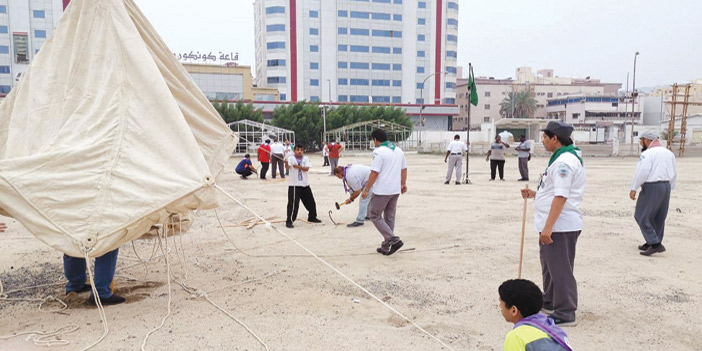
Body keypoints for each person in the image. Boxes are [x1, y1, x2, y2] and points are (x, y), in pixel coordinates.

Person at [520, 121, 585, 326]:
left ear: (555, 138)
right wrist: (536, 195)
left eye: (545, 137)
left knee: (560, 269)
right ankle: (549, 300)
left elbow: (561, 196)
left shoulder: (564, 162)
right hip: (553, 223)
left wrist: (548, 227)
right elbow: (553, 192)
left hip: (560, 225)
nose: (543, 141)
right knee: (549, 266)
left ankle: (566, 311)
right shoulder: (561, 157)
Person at [630, 130, 677, 256]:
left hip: (652, 186)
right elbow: (674, 170)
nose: (640, 143)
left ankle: (655, 243)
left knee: (641, 215)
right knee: (659, 216)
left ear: (647, 140)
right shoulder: (668, 153)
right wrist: (670, 186)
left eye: (641, 140)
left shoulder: (648, 153)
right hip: (665, 186)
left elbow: (643, 171)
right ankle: (652, 240)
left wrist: (634, 187)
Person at [362, 129, 407, 255]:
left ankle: (393, 239)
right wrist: (403, 183)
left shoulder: (378, 152)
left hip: (382, 190)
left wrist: (366, 189)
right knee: (389, 218)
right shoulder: (398, 150)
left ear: (375, 139)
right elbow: (404, 169)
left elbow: (374, 172)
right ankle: (386, 245)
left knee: (374, 215)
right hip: (395, 189)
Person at [499, 279, 573, 351]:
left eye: (501, 303)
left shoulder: (515, 337)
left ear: (514, 310)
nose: (500, 306)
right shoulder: (552, 327)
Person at [285, 144, 322, 228]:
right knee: (294, 204)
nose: (299, 151)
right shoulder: (291, 158)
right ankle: (289, 220)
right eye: (297, 150)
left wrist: (298, 166)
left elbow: (306, 169)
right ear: (294, 151)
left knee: (311, 202)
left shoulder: (306, 158)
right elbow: (287, 167)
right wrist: (286, 163)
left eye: (301, 150)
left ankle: (312, 217)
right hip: (294, 185)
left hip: (304, 184)